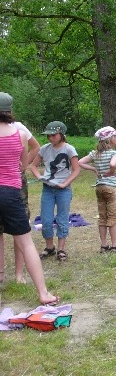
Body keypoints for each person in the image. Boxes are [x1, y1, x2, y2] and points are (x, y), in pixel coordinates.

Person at [0, 93, 60, 305]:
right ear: (9, 110)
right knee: (26, 243)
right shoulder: (20, 135)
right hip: (11, 193)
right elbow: (23, 165)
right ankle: (43, 293)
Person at [28, 121, 80, 263]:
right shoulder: (44, 149)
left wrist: (65, 183)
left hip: (63, 190)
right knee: (46, 219)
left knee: (62, 218)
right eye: (48, 135)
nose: (50, 138)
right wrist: (39, 177)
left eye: (53, 135)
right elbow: (33, 166)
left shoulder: (69, 149)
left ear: (61, 134)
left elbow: (76, 170)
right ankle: (50, 247)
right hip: (48, 189)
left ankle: (61, 249)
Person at [0, 98, 39, 284]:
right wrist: (21, 165)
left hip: (15, 183)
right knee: (18, 233)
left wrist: (21, 167)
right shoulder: (18, 131)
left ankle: (19, 273)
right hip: (10, 185)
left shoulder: (19, 128)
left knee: (19, 231)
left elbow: (35, 147)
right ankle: (2, 274)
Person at [79, 126, 116, 252]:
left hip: (99, 188)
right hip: (112, 188)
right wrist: (112, 171)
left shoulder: (95, 154)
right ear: (110, 139)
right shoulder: (115, 153)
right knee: (113, 218)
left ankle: (104, 245)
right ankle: (114, 245)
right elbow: (113, 164)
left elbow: (80, 162)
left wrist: (94, 169)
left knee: (102, 217)